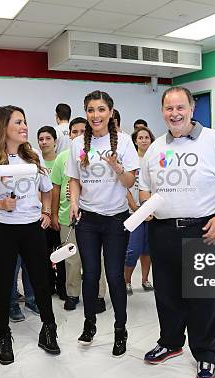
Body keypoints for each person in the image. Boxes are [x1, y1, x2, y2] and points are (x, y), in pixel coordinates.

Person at [140, 86, 215, 378]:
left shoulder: (213, 141)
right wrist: (147, 205)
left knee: (206, 297)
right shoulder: (156, 147)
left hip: (206, 231)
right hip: (163, 232)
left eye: (180, 107)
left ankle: (206, 353)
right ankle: (171, 343)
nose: (175, 113)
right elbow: (145, 185)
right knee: (168, 293)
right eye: (169, 108)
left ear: (192, 108)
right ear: (162, 111)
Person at [0, 105, 60, 365]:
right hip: (2, 230)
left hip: (32, 227)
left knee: (42, 281)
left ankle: (48, 329)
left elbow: (46, 189)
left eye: (24, 121)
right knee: (3, 284)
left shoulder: (33, 157)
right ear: (3, 128)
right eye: (18, 123)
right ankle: (4, 336)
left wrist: (45, 211)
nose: (24, 127)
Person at [67, 90, 139, 357]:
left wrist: (117, 167)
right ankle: (90, 324)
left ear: (110, 112)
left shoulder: (124, 141)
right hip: (87, 219)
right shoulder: (77, 143)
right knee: (90, 274)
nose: (95, 115)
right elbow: (74, 178)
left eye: (100, 110)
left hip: (116, 219)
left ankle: (121, 330)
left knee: (115, 276)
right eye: (90, 110)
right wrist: (74, 202)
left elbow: (130, 182)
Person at [50, 117, 108, 311]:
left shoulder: (99, 154)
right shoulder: (62, 157)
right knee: (71, 260)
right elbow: (56, 188)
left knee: (96, 259)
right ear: (70, 135)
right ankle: (72, 294)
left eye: (84, 131)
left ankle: (98, 296)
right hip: (69, 217)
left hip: (93, 215)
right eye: (75, 132)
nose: (79, 135)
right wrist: (55, 215)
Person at [124, 126, 155, 295]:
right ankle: (127, 281)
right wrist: (135, 207)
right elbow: (125, 187)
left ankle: (145, 279)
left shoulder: (156, 159)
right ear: (135, 141)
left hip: (151, 213)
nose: (144, 140)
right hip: (134, 211)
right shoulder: (131, 160)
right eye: (140, 137)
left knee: (147, 249)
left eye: (147, 137)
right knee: (133, 250)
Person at [38, 125, 67, 299]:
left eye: (48, 138)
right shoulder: (35, 161)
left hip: (57, 215)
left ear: (55, 141)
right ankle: (48, 286)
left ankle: (62, 286)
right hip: (39, 216)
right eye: (41, 139)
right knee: (45, 254)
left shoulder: (61, 161)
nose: (44, 142)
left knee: (61, 253)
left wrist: (54, 214)